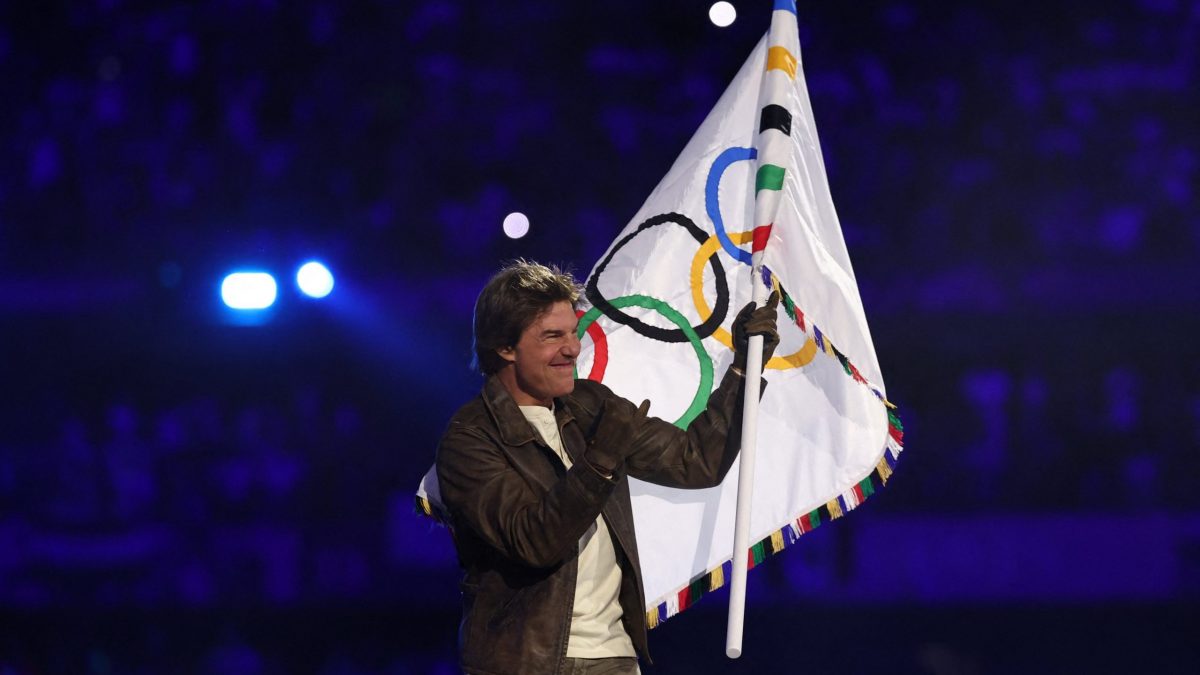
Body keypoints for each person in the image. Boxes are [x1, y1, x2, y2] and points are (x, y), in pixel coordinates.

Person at [436, 259, 779, 675]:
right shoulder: (469, 439)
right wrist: (598, 462)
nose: (572, 348)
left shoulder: (591, 405)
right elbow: (534, 542)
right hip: (524, 664)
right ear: (505, 348)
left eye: (572, 332)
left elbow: (697, 461)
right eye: (552, 336)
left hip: (613, 656)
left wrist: (744, 366)